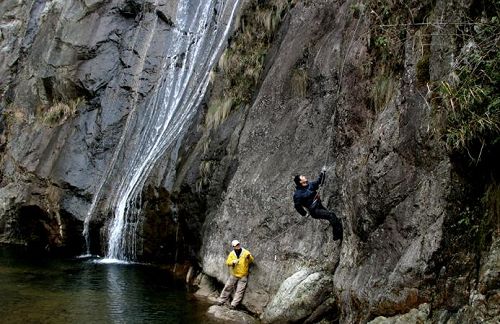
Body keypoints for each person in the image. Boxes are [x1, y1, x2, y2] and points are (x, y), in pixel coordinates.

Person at [293, 168, 343, 240]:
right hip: (314, 210)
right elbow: (297, 206)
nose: (304, 176)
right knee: (331, 215)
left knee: (330, 216)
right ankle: (337, 236)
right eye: (302, 177)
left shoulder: (309, 185)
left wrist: (322, 173)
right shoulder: (298, 194)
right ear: (300, 181)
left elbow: (319, 181)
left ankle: (337, 233)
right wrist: (304, 214)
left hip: (318, 205)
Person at [217, 240, 254, 309]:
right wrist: (233, 262)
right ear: (233, 246)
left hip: (243, 275)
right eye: (236, 245)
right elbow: (228, 262)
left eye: (238, 244)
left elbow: (251, 260)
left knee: (239, 291)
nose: (238, 246)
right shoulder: (232, 254)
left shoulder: (246, 252)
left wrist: (249, 257)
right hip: (234, 274)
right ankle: (221, 300)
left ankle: (233, 305)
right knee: (227, 287)